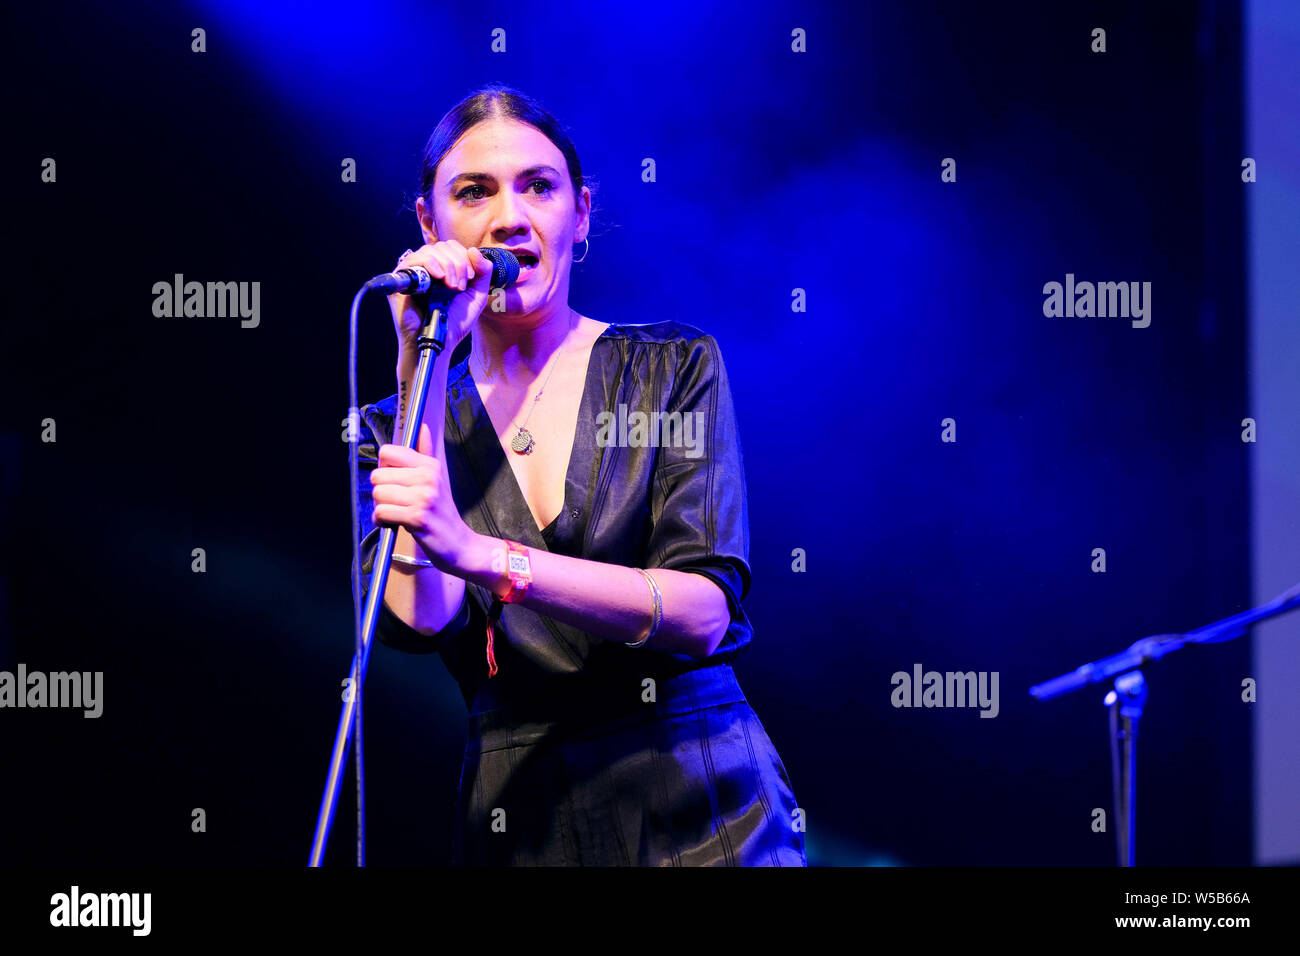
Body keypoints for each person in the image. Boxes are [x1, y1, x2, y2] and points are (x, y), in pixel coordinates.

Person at [355, 85, 806, 866]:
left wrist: (484, 554)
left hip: (697, 795)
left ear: (581, 213)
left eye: (538, 186)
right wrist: (415, 364)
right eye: (473, 192)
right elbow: (421, 618)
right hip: (522, 815)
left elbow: (700, 613)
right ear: (429, 225)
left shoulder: (670, 368)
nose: (508, 217)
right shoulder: (391, 425)